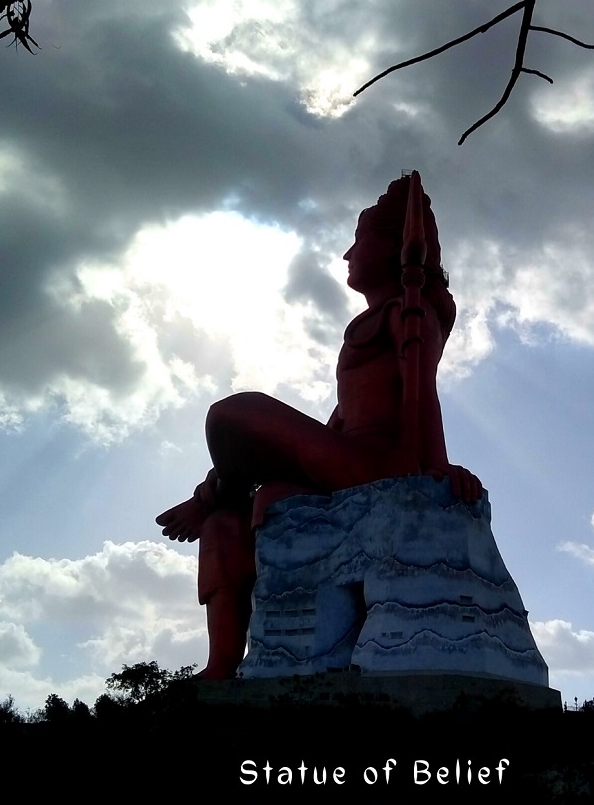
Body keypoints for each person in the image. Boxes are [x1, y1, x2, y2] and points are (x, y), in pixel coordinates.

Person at [155, 175, 481, 678]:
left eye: (361, 240)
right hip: (339, 462)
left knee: (232, 412)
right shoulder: (370, 322)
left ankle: (211, 493)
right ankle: (222, 663)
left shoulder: (410, 313)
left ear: (394, 250)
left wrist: (435, 471)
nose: (349, 254)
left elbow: (422, 398)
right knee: (230, 523)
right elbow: (340, 418)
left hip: (377, 464)